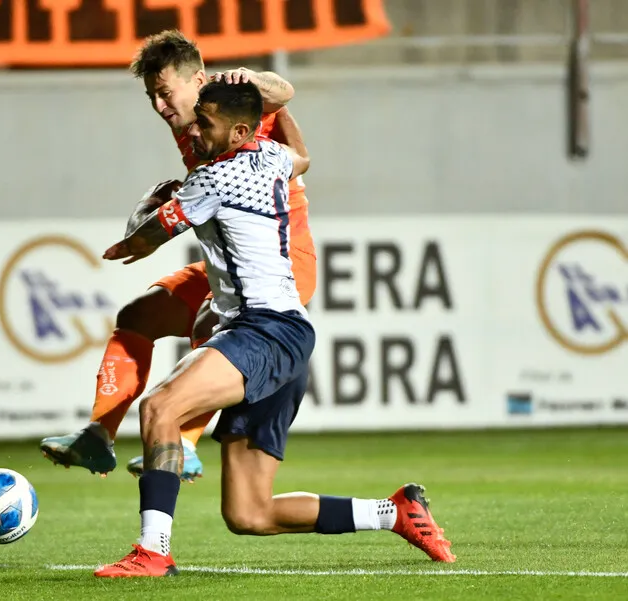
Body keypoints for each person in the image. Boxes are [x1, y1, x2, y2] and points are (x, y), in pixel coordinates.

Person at [93, 80, 456, 577]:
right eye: (196, 117)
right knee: (249, 514)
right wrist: (281, 108)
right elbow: (301, 156)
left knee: (160, 407)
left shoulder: (212, 180)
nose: (194, 129)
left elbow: (137, 244)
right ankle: (395, 512)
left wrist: (148, 203)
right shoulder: (268, 156)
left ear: (239, 130)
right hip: (288, 335)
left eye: (207, 123)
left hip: (262, 330)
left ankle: (152, 552)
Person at [39, 29, 317, 481]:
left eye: (166, 92)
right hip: (228, 263)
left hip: (285, 264)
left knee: (211, 320)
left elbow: (282, 93)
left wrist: (254, 83)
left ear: (199, 80)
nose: (159, 106)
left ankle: (184, 443)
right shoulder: (195, 132)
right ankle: (98, 436)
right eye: (152, 95)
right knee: (137, 317)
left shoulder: (232, 106)